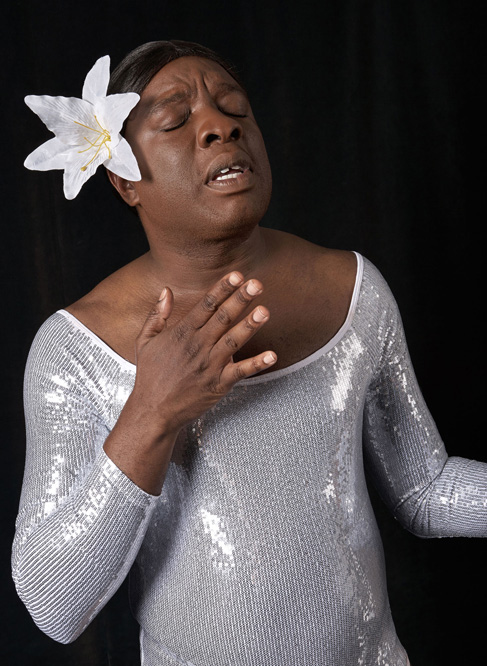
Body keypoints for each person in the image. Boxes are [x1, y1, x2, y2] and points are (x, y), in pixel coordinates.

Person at [12, 40, 487, 666]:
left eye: (234, 107)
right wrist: (152, 412)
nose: (220, 125)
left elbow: (425, 490)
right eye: (176, 119)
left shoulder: (352, 288)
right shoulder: (76, 349)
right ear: (124, 180)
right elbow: (54, 605)